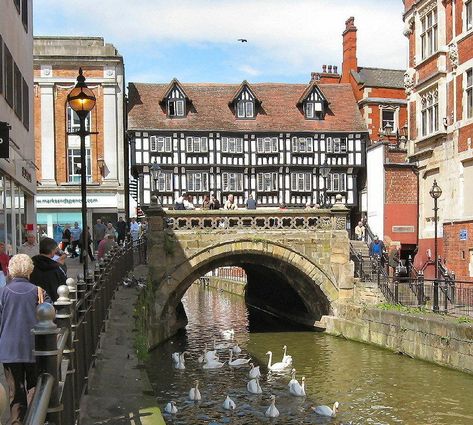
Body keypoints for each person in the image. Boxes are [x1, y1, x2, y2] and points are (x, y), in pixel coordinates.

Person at [0, 254, 51, 424]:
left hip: (9, 348)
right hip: (33, 346)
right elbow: (51, 317)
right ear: (30, 269)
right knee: (34, 387)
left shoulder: (3, 292)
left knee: (15, 391)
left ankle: (17, 421)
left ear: (11, 270)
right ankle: (34, 419)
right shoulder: (38, 291)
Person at [30, 237, 67, 302]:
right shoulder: (56, 267)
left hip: (34, 302)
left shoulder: (30, 265)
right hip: (53, 303)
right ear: (53, 251)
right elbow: (64, 285)